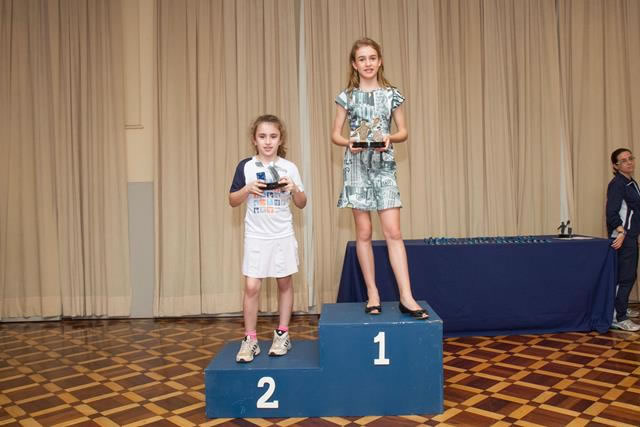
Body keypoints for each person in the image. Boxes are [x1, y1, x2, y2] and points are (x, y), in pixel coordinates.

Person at [331, 37, 427, 319]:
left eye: (372, 58)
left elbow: (403, 131)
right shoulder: (346, 96)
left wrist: (389, 137)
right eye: (362, 59)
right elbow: (335, 134)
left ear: (380, 61)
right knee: (363, 233)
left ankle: (406, 297)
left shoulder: (392, 94)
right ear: (354, 64)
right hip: (356, 167)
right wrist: (348, 142)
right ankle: (372, 294)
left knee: (393, 232)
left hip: (384, 166)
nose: (368, 63)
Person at [229, 114, 307, 362]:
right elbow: (232, 200)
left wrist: (293, 188)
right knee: (252, 287)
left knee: (284, 283)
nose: (268, 141)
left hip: (282, 234)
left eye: (273, 136)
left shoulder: (289, 167)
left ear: (280, 139)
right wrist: (246, 189)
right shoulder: (246, 166)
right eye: (262, 136)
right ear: (254, 139)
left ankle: (282, 334)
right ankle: (250, 339)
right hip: (256, 236)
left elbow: (302, 203)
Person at [606, 148, 640, 332]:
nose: (629, 162)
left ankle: (621, 307)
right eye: (624, 160)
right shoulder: (617, 184)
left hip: (630, 236)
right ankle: (618, 317)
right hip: (622, 237)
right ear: (616, 166)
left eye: (630, 158)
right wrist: (621, 232)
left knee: (629, 275)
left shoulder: (630, 182)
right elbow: (611, 212)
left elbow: (634, 212)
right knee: (624, 277)